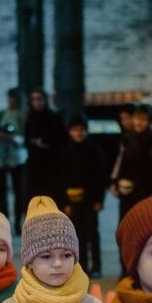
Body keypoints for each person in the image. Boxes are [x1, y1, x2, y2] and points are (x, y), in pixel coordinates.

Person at [61, 112, 107, 276]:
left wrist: (99, 199)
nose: (79, 133)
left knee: (92, 232)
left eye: (82, 129)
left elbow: (100, 177)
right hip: (72, 199)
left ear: (86, 130)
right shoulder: (65, 152)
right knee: (77, 233)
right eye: (75, 130)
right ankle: (82, 266)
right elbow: (61, 178)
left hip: (90, 199)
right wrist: (65, 202)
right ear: (69, 131)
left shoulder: (95, 151)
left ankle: (97, 266)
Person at [0, 87, 27, 234]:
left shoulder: (22, 116)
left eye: (13, 98)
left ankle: (18, 222)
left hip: (17, 157)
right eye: (9, 97)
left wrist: (13, 137)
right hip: (0, 156)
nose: (11, 100)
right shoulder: (2, 113)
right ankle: (3, 222)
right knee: (2, 192)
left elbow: (25, 137)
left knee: (19, 191)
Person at [24, 88, 68, 205]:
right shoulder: (30, 118)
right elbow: (27, 139)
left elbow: (63, 139)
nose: (36, 102)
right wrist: (35, 142)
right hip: (35, 166)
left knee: (52, 199)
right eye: (33, 100)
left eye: (39, 99)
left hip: (52, 166)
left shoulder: (54, 117)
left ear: (45, 100)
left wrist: (48, 143)